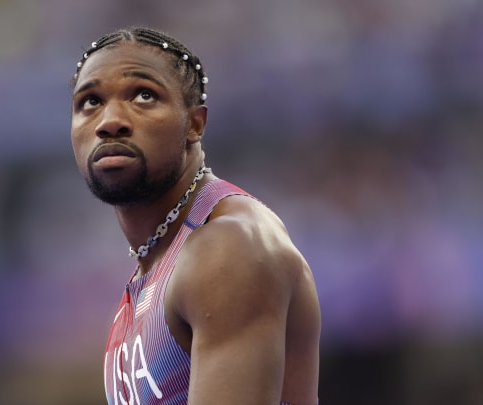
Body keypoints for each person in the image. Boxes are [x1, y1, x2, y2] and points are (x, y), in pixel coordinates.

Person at [70, 26, 321, 405]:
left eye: (143, 95)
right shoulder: (150, 273)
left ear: (195, 124)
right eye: (90, 101)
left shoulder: (228, 247)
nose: (110, 121)